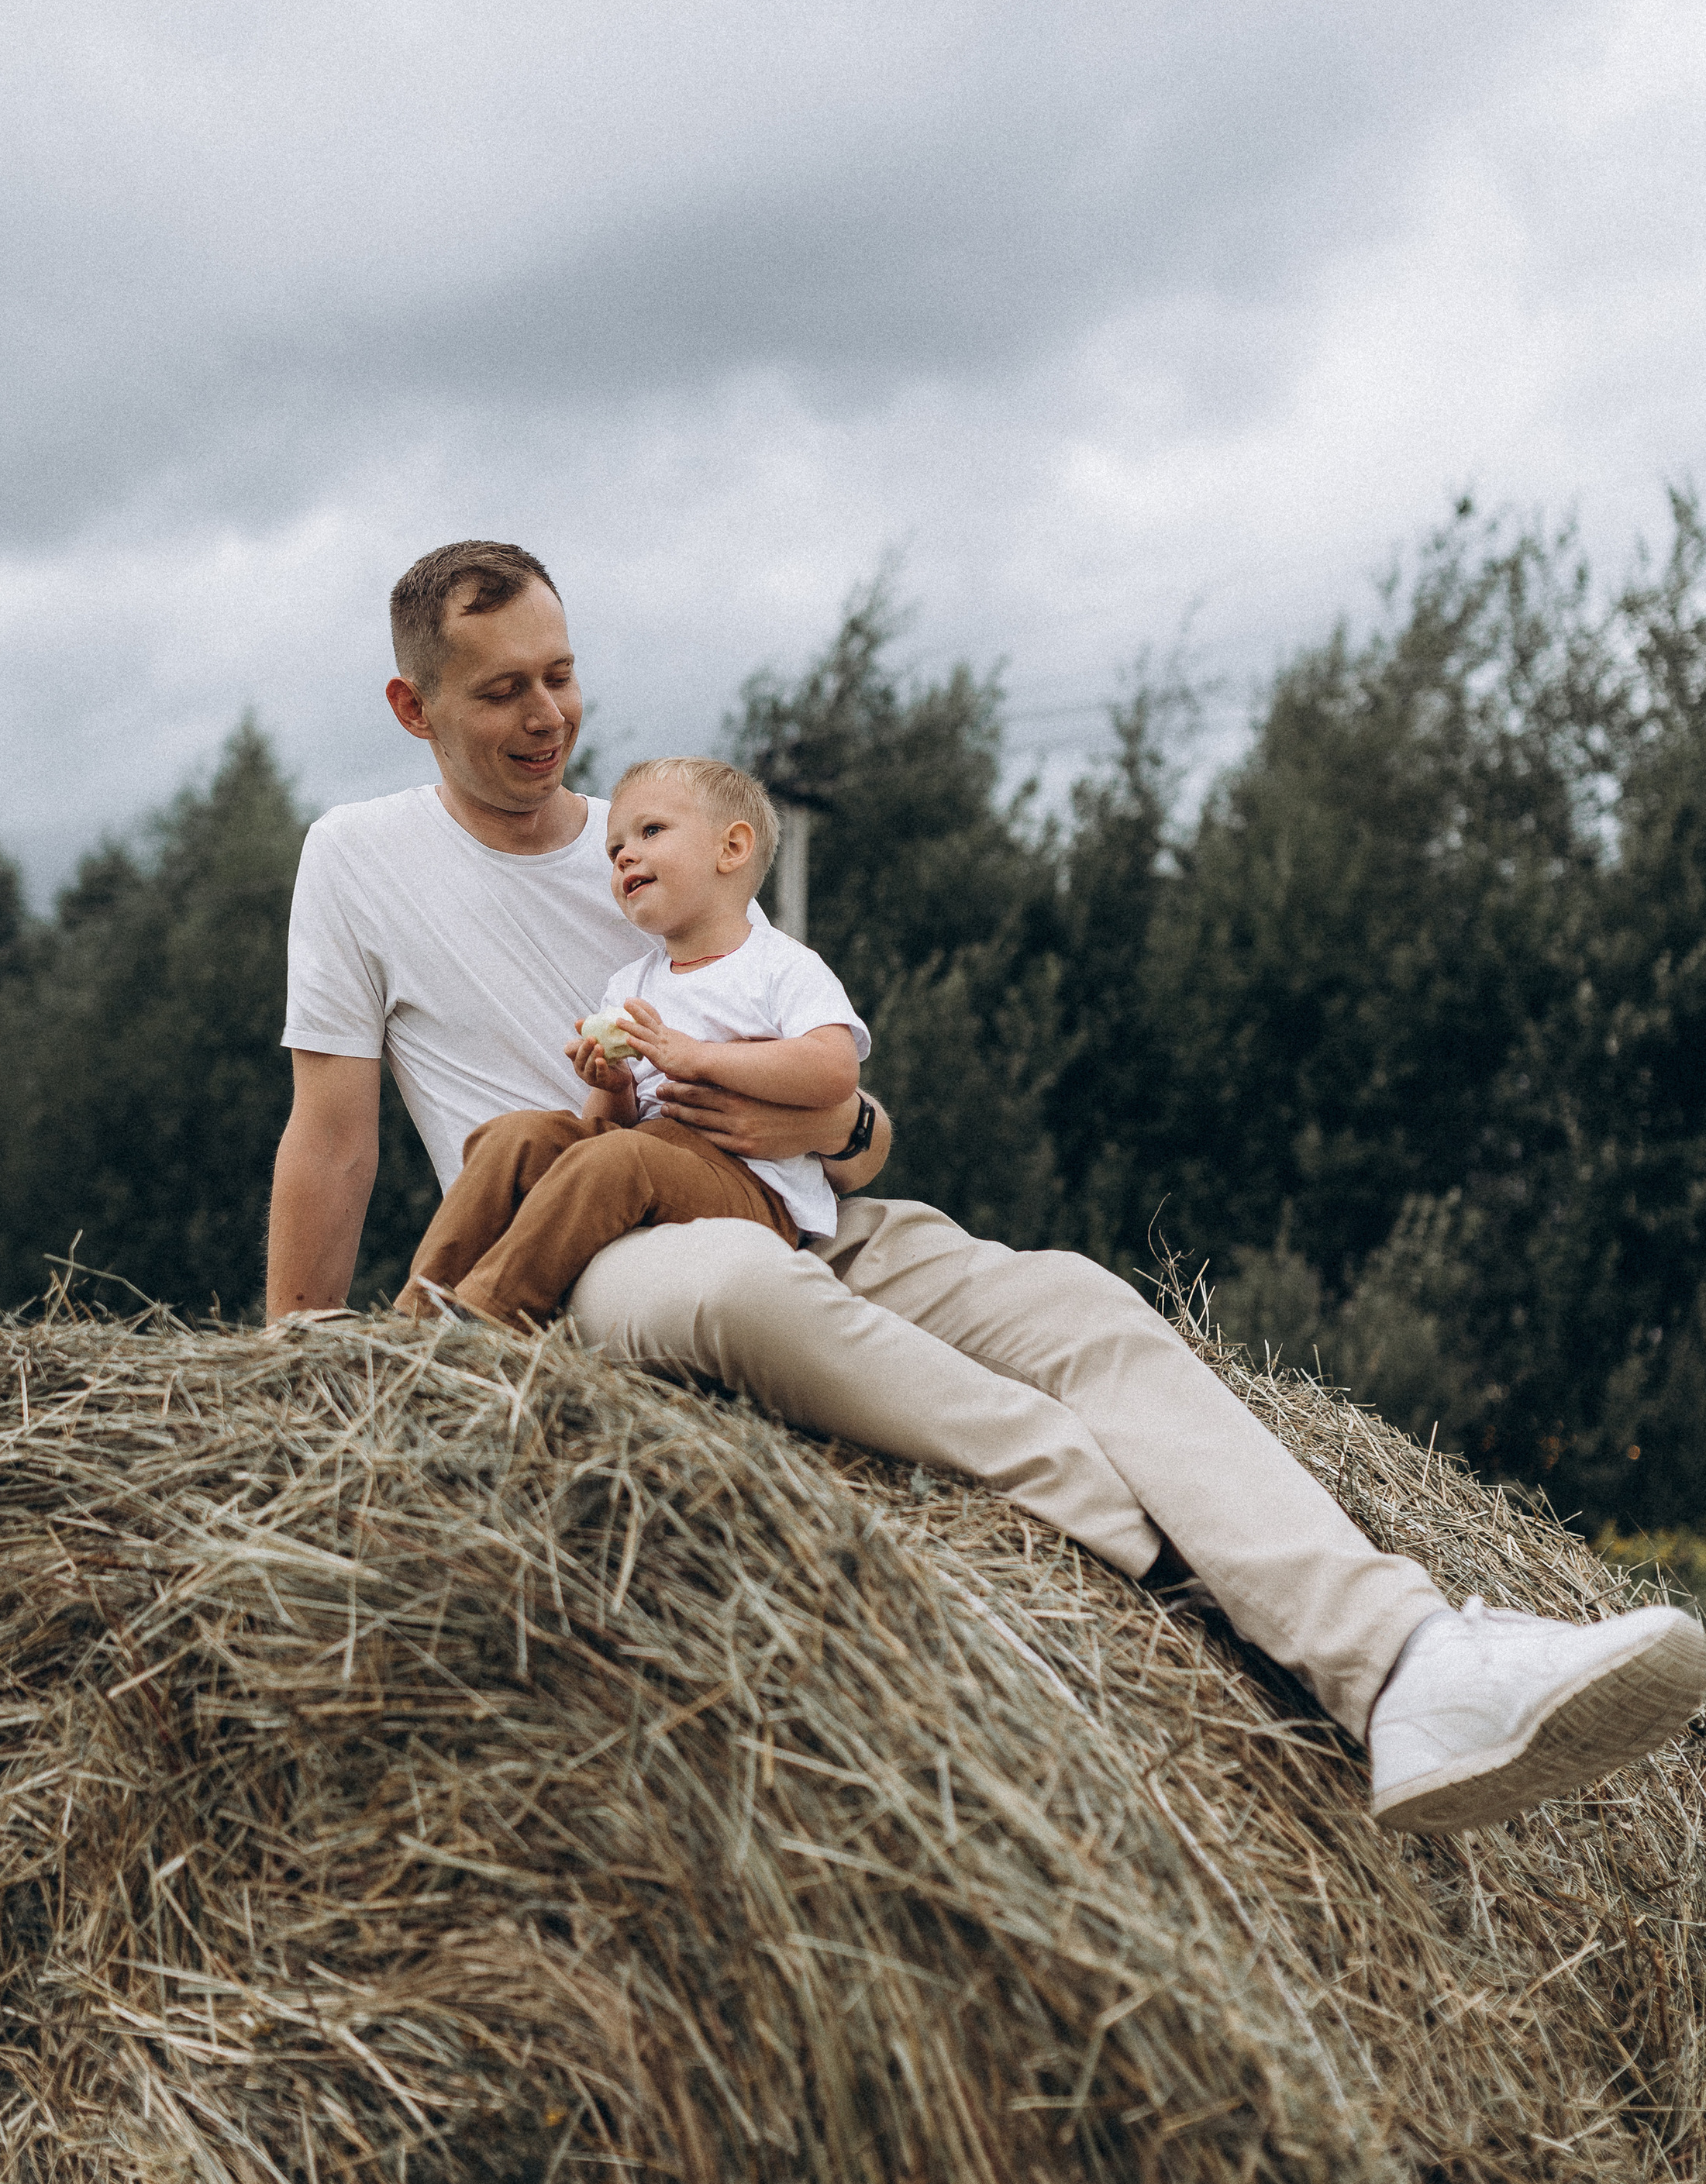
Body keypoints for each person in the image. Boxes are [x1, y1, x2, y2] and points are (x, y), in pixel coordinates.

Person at [269, 539, 1706, 1836]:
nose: (545, 718)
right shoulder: (359, 861)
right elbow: (332, 1138)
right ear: (416, 709)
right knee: (739, 1289)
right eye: (501, 693)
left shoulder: (652, 841)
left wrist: (835, 1132)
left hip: (783, 1191)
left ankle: (1408, 1661)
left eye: (562, 677)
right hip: (585, 1240)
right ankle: (1114, 1524)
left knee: (1075, 1299)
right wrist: (281, 1388)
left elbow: (840, 1106)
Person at [395, 756, 868, 1327]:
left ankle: (486, 1317)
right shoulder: (632, 983)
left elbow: (835, 1067)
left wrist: (698, 1057)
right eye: (613, 849)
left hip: (754, 1190)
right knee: (513, 1134)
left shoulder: (779, 965)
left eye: (650, 832)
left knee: (623, 1159)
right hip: (650, 1158)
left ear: (732, 848)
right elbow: (609, 1129)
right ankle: (412, 1318)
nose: (624, 855)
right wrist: (613, 1083)